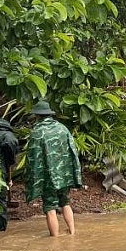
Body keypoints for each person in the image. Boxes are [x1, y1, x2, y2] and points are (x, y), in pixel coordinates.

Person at [25, 100, 83, 237]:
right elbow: (73, 152)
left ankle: (55, 240)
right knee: (65, 203)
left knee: (50, 207)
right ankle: (72, 232)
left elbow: (33, 159)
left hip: (48, 177)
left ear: (37, 116)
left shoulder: (37, 132)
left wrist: (32, 181)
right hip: (65, 175)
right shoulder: (63, 129)